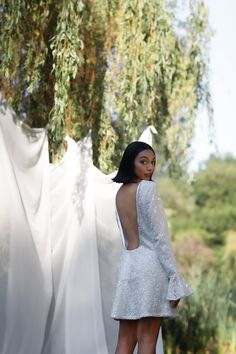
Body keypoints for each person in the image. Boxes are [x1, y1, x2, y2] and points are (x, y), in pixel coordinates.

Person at [111, 141, 192, 354]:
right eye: (143, 161)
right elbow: (160, 238)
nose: (149, 168)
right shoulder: (148, 188)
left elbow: (125, 237)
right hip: (150, 268)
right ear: (131, 162)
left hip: (128, 267)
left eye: (153, 162)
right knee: (147, 340)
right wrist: (175, 278)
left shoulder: (119, 194)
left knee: (125, 340)